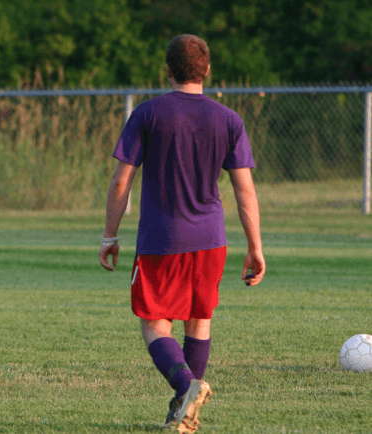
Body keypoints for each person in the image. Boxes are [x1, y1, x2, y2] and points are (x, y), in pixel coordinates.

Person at [98, 34, 265, 433]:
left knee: (155, 323)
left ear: (167, 70)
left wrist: (109, 235)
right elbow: (245, 190)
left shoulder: (149, 113)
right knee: (198, 319)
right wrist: (255, 247)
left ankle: (187, 385)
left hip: (161, 239)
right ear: (207, 70)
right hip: (212, 239)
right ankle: (183, 412)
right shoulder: (229, 119)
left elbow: (122, 182)